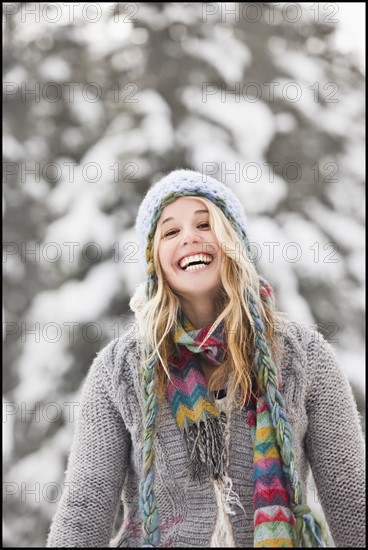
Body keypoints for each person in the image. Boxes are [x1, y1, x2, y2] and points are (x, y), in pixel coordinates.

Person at [46, 168, 366, 548]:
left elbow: (352, 500)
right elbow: (84, 511)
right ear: (155, 261)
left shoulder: (303, 356)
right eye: (170, 231)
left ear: (233, 241)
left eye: (205, 223)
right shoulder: (121, 368)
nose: (189, 238)